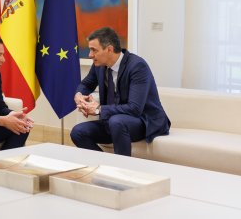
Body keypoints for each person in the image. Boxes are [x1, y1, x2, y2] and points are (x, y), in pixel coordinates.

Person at [71, 27, 170, 156]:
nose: (90, 55)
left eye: (94, 50)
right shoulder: (100, 65)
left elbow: (135, 108)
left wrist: (98, 109)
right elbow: (86, 84)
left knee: (116, 122)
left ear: (109, 49)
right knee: (78, 132)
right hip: (114, 121)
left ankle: (123, 170)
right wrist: (79, 96)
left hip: (144, 121)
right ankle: (105, 166)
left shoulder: (137, 66)